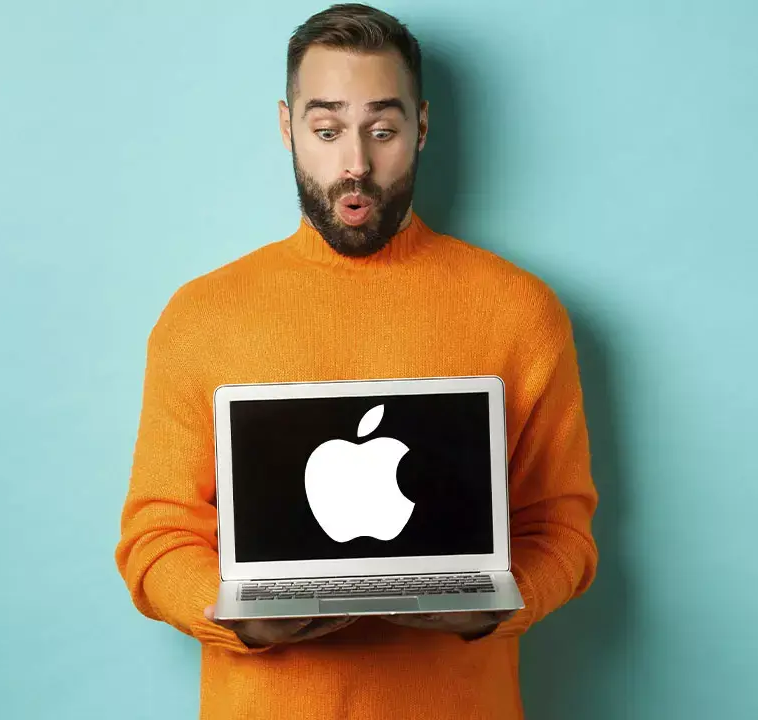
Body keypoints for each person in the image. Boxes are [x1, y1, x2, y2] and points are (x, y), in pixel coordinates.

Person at [114, 3, 598, 718]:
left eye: (383, 130)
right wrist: (229, 614)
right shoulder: (202, 317)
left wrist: (500, 604)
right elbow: (154, 536)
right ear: (287, 129)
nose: (355, 165)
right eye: (326, 130)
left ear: (422, 127)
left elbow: (562, 531)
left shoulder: (521, 311)